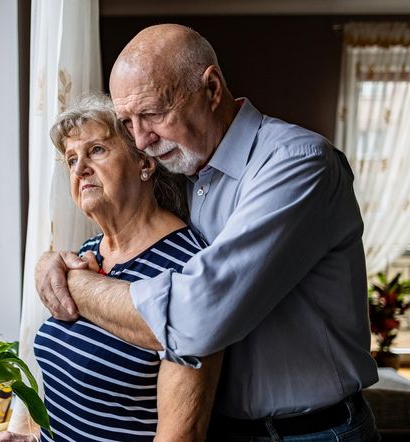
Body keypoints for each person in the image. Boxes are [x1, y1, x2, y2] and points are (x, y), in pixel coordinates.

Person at [35, 24, 380, 441]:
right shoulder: (186, 168)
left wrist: (74, 284)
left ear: (212, 89)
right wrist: (49, 260)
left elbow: (195, 318)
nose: (141, 140)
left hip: (311, 433)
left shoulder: (296, 163)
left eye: (153, 113)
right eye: (128, 123)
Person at [0, 94, 223, 442]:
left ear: (144, 163)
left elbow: (181, 435)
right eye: (71, 159)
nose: (79, 168)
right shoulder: (88, 254)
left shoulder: (188, 268)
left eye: (97, 150)